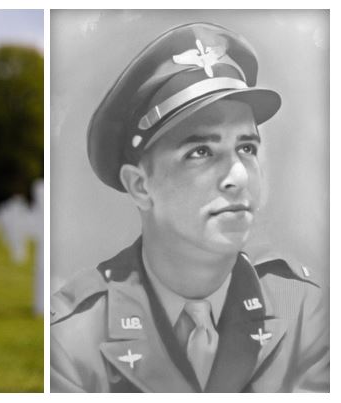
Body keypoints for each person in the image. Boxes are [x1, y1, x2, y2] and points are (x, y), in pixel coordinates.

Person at [50, 22, 328, 393]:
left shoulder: (306, 312)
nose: (238, 177)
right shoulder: (71, 340)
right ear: (140, 185)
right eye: (201, 152)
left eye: (246, 148)